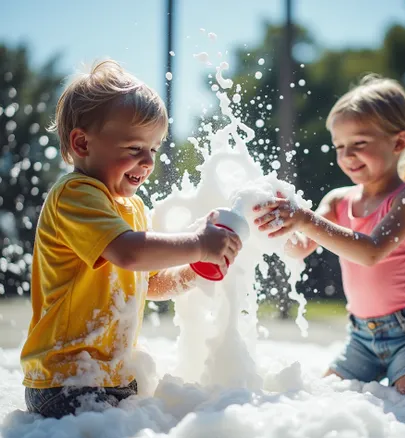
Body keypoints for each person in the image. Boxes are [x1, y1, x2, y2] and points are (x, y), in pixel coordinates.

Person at [20, 59, 242, 418]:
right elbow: (128, 253)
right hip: (63, 380)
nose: (148, 161)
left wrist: (194, 270)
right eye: (134, 148)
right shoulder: (75, 194)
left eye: (153, 149)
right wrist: (199, 242)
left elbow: (148, 283)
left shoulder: (133, 208)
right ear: (82, 143)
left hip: (112, 377)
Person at [254, 74, 405, 399]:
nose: (347, 156)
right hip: (361, 337)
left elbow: (370, 252)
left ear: (398, 142)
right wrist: (270, 221)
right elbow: (299, 248)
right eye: (340, 146)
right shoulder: (338, 200)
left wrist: (304, 217)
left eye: (359, 144)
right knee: (326, 400)